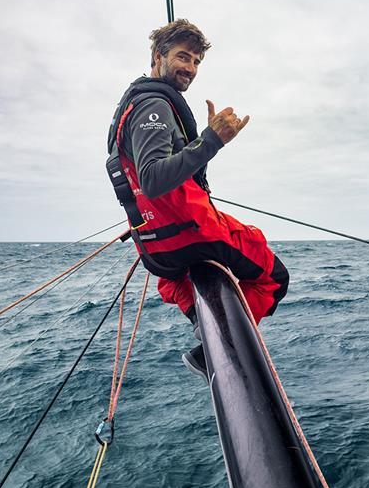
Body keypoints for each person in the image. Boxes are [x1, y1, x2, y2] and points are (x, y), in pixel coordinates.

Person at [105, 19, 289, 381]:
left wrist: (201, 144)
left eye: (196, 62)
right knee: (275, 277)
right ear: (157, 56)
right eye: (182, 57)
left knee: (175, 282)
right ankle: (220, 349)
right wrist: (212, 140)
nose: (190, 68)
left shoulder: (134, 104)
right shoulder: (154, 107)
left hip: (155, 249)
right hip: (189, 233)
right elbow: (154, 178)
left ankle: (204, 331)